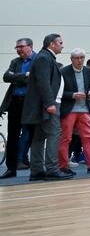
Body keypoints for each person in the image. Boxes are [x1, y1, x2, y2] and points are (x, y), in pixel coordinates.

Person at [23, 34, 71, 181]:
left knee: (39, 136)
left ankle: (37, 170)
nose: (63, 45)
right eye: (60, 43)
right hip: (48, 104)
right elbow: (43, 82)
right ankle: (52, 169)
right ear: (52, 44)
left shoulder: (44, 57)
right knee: (53, 134)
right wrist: (50, 103)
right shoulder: (44, 58)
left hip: (44, 104)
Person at [58, 49, 90, 175]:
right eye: (77, 58)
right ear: (71, 59)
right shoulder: (63, 72)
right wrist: (72, 95)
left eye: (82, 58)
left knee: (88, 137)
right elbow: (58, 91)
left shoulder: (86, 70)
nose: (80, 60)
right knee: (66, 138)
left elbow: (89, 86)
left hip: (84, 108)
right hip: (69, 109)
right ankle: (62, 166)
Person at [1, 37, 35, 178]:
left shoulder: (38, 60)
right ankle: (11, 169)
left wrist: (16, 76)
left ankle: (36, 167)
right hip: (15, 102)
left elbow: (34, 78)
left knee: (34, 135)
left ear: (30, 46)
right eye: (17, 47)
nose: (18, 50)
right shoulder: (15, 61)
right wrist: (24, 75)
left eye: (21, 46)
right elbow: (6, 77)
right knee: (12, 136)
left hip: (31, 102)